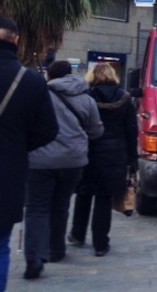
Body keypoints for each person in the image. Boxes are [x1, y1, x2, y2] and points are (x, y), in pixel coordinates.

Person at [23, 60, 102, 280]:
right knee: (61, 206)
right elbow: (96, 131)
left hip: (39, 160)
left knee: (36, 208)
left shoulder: (38, 96)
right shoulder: (86, 98)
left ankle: (34, 258)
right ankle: (56, 250)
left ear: (50, 76)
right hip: (73, 161)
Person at [0, 16, 58, 291]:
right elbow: (48, 129)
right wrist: (18, 145)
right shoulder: (31, 81)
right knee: (0, 246)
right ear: (17, 41)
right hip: (8, 173)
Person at [69, 63, 137, 257]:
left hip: (89, 153)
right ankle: (100, 244)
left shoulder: (86, 98)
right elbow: (131, 131)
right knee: (104, 199)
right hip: (115, 155)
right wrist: (132, 158)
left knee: (83, 195)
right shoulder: (125, 99)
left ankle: (77, 234)